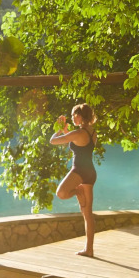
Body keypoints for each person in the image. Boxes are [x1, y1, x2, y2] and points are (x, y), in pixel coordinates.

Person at [50, 103, 97, 257]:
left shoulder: (78, 133)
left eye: (73, 115)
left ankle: (77, 191)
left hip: (79, 171)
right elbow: (79, 143)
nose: (72, 118)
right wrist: (66, 131)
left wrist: (59, 130)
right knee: (88, 214)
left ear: (79, 116)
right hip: (90, 172)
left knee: (61, 193)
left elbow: (53, 141)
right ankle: (89, 250)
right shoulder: (92, 132)